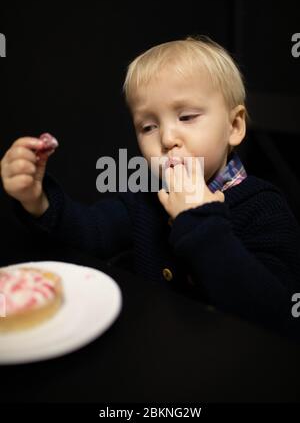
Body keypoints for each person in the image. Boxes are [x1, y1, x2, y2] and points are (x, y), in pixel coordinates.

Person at [1, 36, 300, 339]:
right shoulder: (144, 198)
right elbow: (89, 232)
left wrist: (200, 219)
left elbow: (274, 317)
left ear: (234, 126)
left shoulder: (264, 207)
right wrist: (36, 200)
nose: (167, 138)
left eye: (186, 117)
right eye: (148, 126)